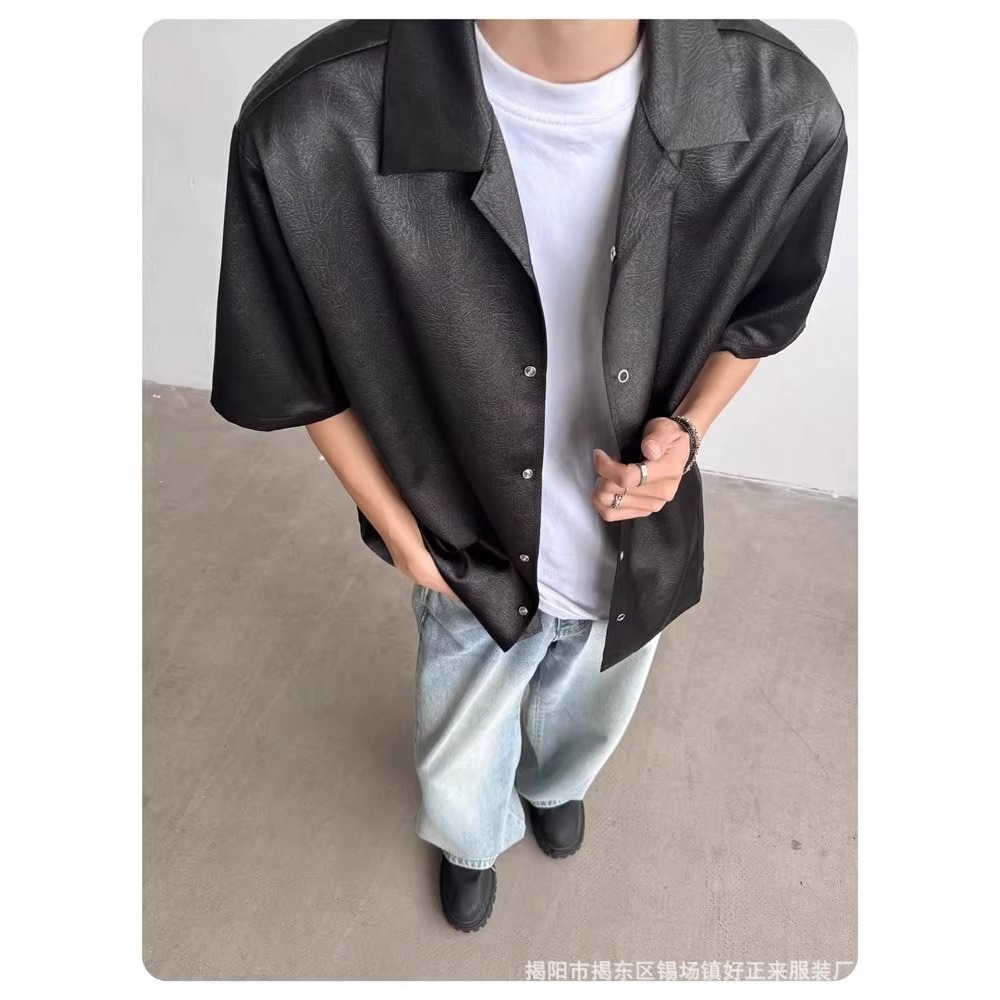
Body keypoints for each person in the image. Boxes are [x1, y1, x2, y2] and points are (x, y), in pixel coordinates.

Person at [211, 19, 848, 932]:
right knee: (461, 730)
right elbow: (292, 363)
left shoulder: (779, 109)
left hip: (633, 525)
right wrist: (399, 529)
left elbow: (762, 312)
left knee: (594, 697)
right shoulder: (315, 118)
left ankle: (556, 784)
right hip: (462, 535)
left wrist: (686, 431)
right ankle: (471, 840)